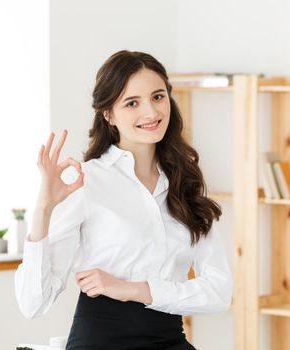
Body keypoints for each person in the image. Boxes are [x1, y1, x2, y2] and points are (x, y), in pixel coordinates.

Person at [14, 50, 233, 350]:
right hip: (101, 341)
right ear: (109, 114)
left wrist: (133, 290)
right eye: (132, 103)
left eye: (158, 97)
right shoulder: (87, 183)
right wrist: (43, 209)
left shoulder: (186, 185)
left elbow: (220, 292)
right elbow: (33, 304)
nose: (151, 112)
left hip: (170, 338)